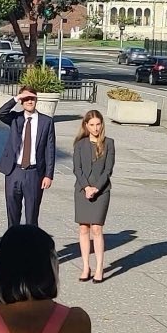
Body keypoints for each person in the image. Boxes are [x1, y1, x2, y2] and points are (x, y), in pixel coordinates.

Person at [0, 87, 56, 228]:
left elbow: (50, 149)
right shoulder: (15, 118)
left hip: (34, 173)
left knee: (32, 215)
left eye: (32, 98)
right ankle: (14, 247)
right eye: (26, 99)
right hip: (14, 171)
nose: (29, 101)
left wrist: (49, 175)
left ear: (36, 100)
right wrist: (17, 97)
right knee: (12, 213)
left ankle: (30, 247)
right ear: (22, 101)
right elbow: (1, 113)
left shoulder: (46, 121)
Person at [71, 109, 115, 282]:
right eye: (92, 125)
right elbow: (77, 169)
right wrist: (86, 187)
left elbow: (108, 170)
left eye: (98, 124)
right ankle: (85, 267)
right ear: (86, 126)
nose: (95, 128)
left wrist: (96, 188)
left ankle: (99, 268)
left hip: (101, 190)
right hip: (82, 190)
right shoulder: (79, 144)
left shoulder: (109, 143)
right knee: (83, 228)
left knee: (96, 228)